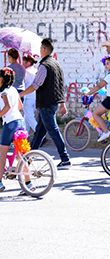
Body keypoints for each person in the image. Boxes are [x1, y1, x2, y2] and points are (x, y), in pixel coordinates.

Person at [20, 39, 71, 168]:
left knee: (53, 131)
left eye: (40, 48)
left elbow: (35, 85)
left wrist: (20, 94)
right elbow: (60, 85)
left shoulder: (44, 66)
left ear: (44, 49)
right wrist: (62, 102)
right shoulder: (56, 64)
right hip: (51, 102)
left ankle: (65, 158)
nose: (39, 50)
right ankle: (28, 158)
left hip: (46, 103)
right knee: (39, 132)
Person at [0, 68, 26, 192]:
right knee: (21, 155)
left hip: (10, 124)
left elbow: (7, 106)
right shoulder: (14, 90)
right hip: (20, 122)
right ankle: (28, 183)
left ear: (2, 80)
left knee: (2, 154)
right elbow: (20, 106)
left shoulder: (3, 92)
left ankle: (0, 182)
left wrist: (1, 114)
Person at [21, 54, 38, 136]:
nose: (22, 62)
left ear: (29, 62)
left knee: (30, 118)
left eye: (24, 60)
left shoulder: (26, 72)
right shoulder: (35, 70)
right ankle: (23, 137)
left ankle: (40, 135)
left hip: (28, 97)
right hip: (35, 97)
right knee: (26, 119)